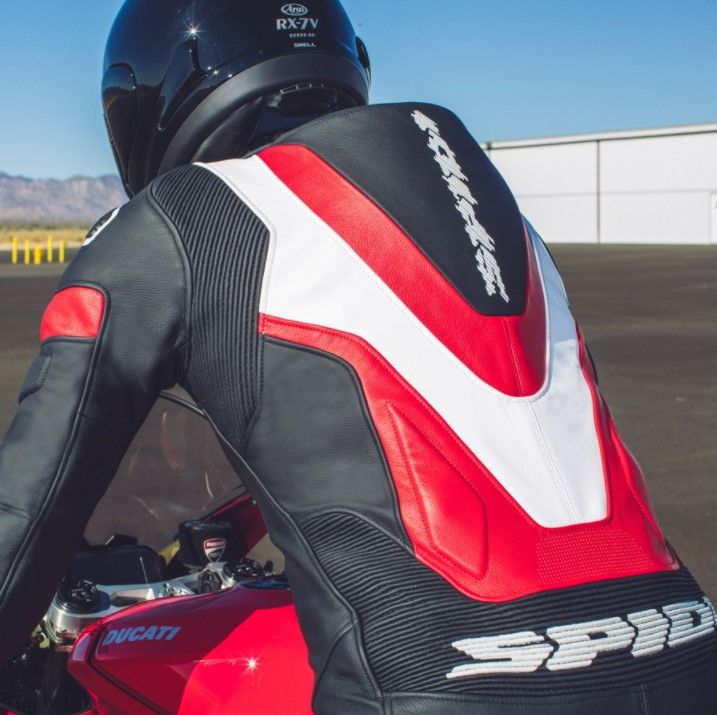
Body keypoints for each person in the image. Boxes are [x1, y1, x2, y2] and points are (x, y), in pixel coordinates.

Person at [0, 1, 715, 712]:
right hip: (689, 645)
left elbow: (31, 502)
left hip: (437, 687)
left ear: (165, 82)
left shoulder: (182, 217)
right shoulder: (494, 216)